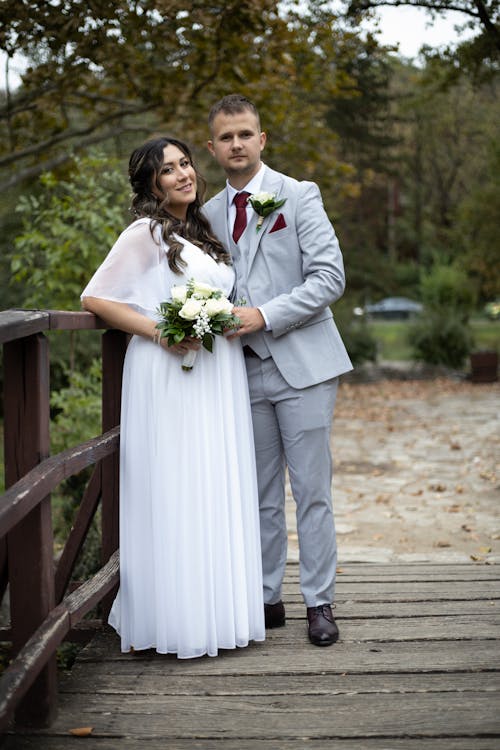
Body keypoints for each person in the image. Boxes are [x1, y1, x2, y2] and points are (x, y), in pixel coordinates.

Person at [81, 136, 265, 658]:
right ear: (150, 183)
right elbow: (95, 297)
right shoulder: (147, 232)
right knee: (180, 483)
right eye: (168, 170)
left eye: (185, 163)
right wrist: (159, 331)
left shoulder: (199, 230)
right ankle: (179, 620)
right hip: (170, 372)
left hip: (216, 371)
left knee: (212, 480)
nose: (183, 174)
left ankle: (219, 611)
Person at [204, 94, 353, 647]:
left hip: (304, 365)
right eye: (226, 137)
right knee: (259, 494)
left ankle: (320, 602)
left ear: (261, 140)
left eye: (246, 134)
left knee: (311, 490)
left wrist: (264, 315)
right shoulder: (210, 213)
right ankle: (267, 599)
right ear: (213, 146)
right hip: (240, 372)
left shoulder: (298, 194)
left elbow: (328, 278)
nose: (237, 144)